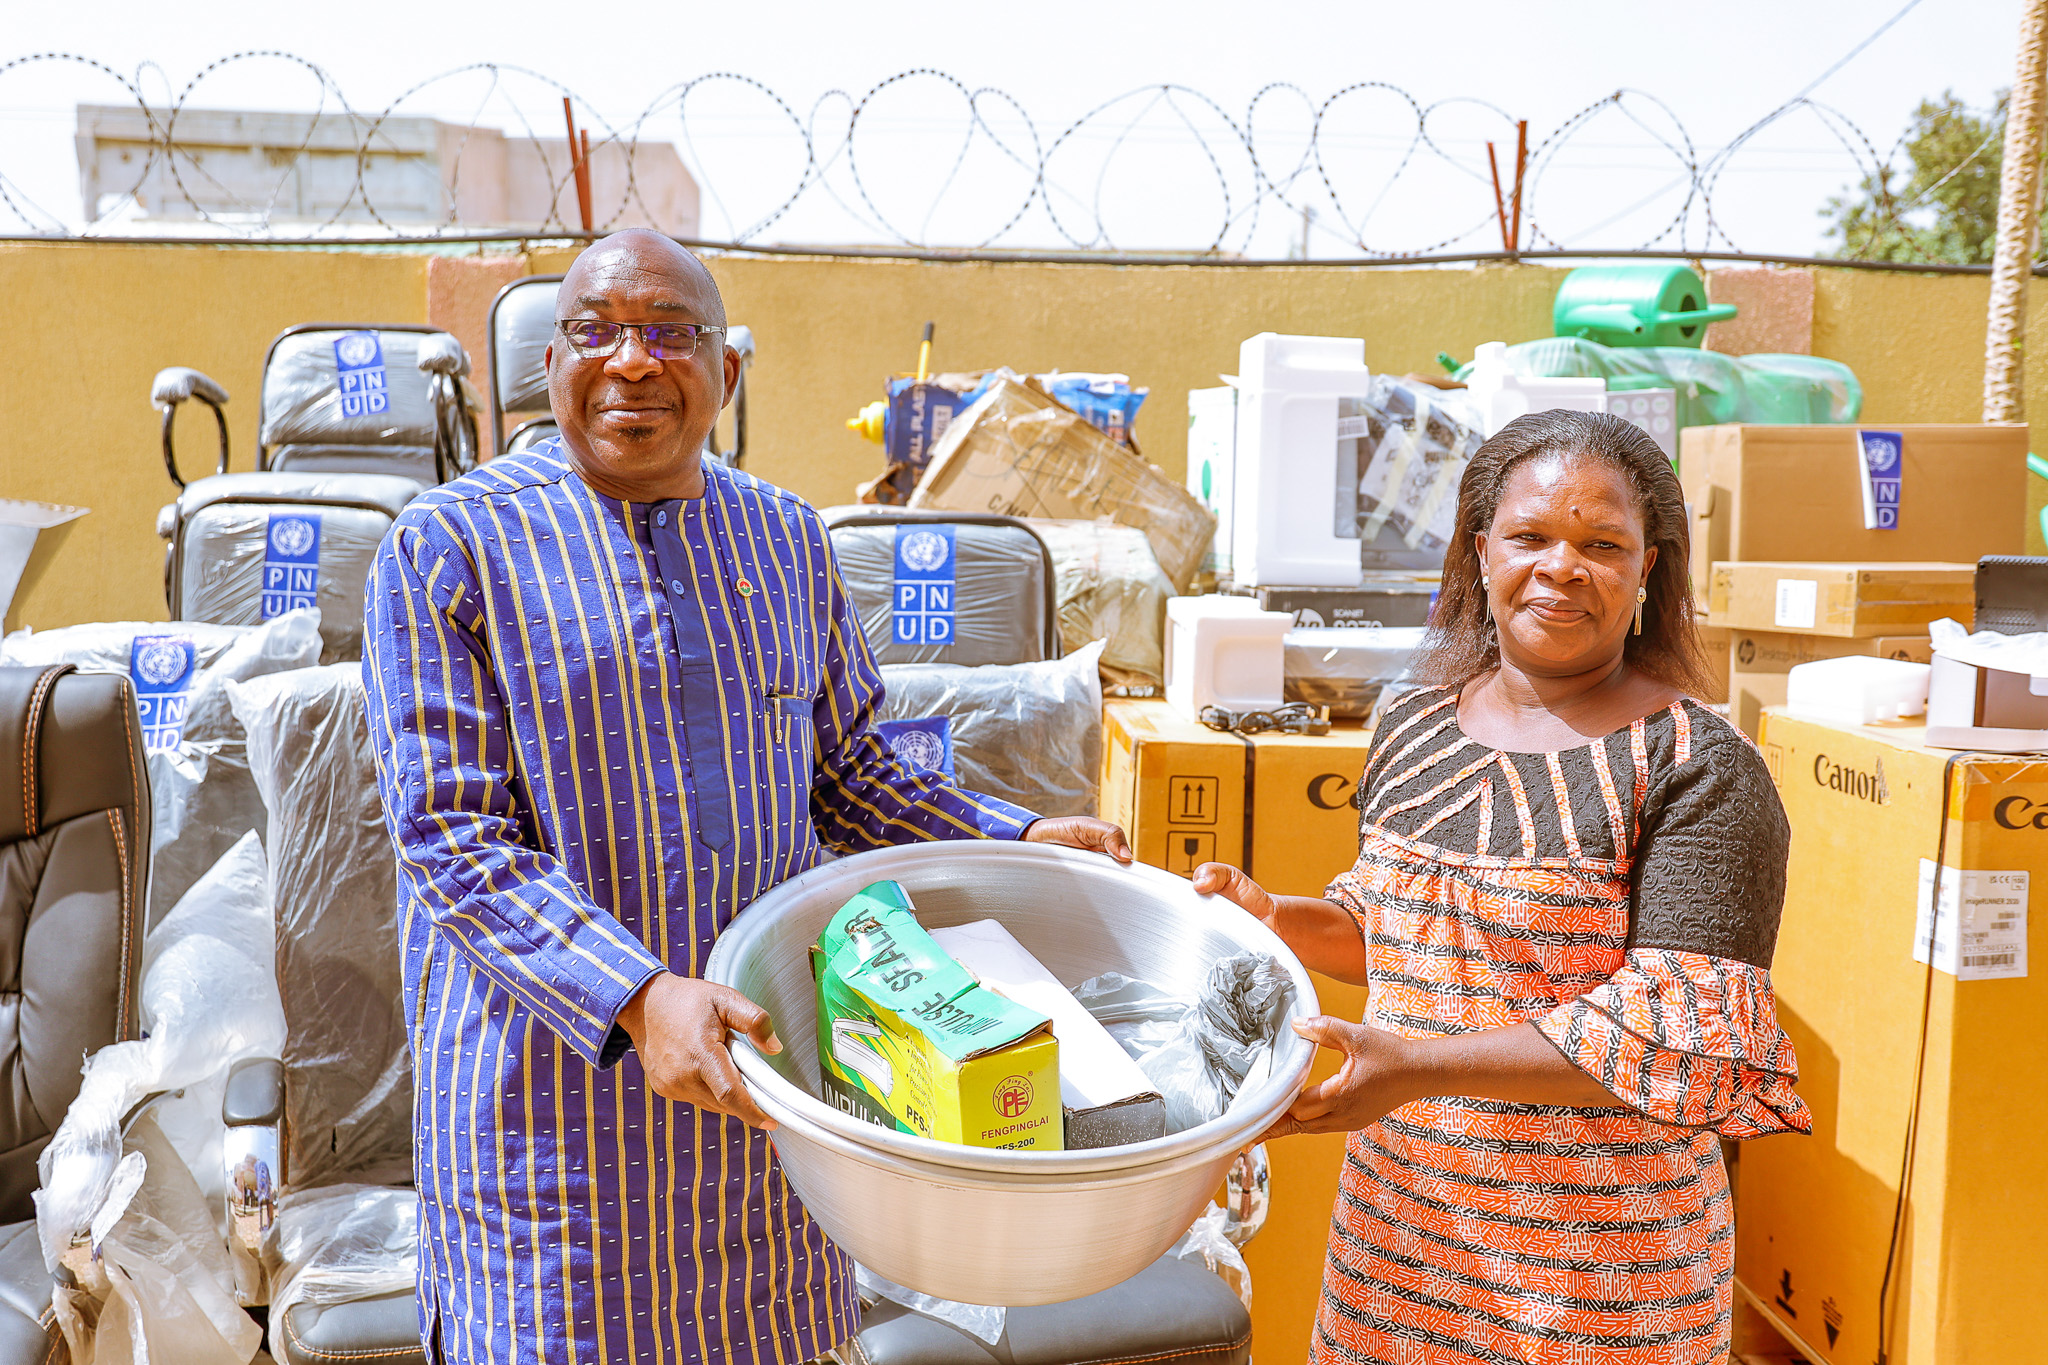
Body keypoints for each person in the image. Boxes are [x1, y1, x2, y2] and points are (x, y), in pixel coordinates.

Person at [361, 229, 1130, 1365]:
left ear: (727, 373)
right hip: (556, 1139)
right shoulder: (448, 547)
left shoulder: (782, 537)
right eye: (596, 331)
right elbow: (451, 837)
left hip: (764, 1124)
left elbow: (851, 771)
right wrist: (633, 995)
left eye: (670, 332)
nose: (632, 361)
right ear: (548, 365)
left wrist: (1015, 837)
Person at [1196, 409, 1810, 1364]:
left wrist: (1412, 1068)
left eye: (1602, 543)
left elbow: (1675, 1031)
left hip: (1598, 1286)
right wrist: (1279, 919)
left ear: (1647, 570)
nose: (1563, 566)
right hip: (1395, 1250)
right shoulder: (1415, 723)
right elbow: (1392, 925)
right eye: (1531, 536)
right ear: (1483, 552)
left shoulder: (1697, 765)